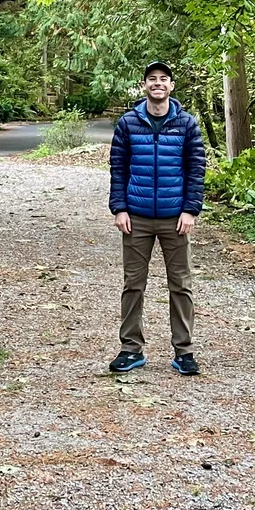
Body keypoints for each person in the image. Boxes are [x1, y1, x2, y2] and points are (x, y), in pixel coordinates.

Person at [107, 61, 207, 376]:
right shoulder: (128, 123)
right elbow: (118, 168)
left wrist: (190, 209)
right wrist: (119, 207)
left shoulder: (187, 124)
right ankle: (130, 349)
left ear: (171, 86)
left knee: (181, 285)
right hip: (135, 218)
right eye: (152, 79)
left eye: (164, 79)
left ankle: (185, 352)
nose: (158, 83)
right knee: (133, 285)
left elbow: (196, 170)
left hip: (175, 218)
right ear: (144, 85)